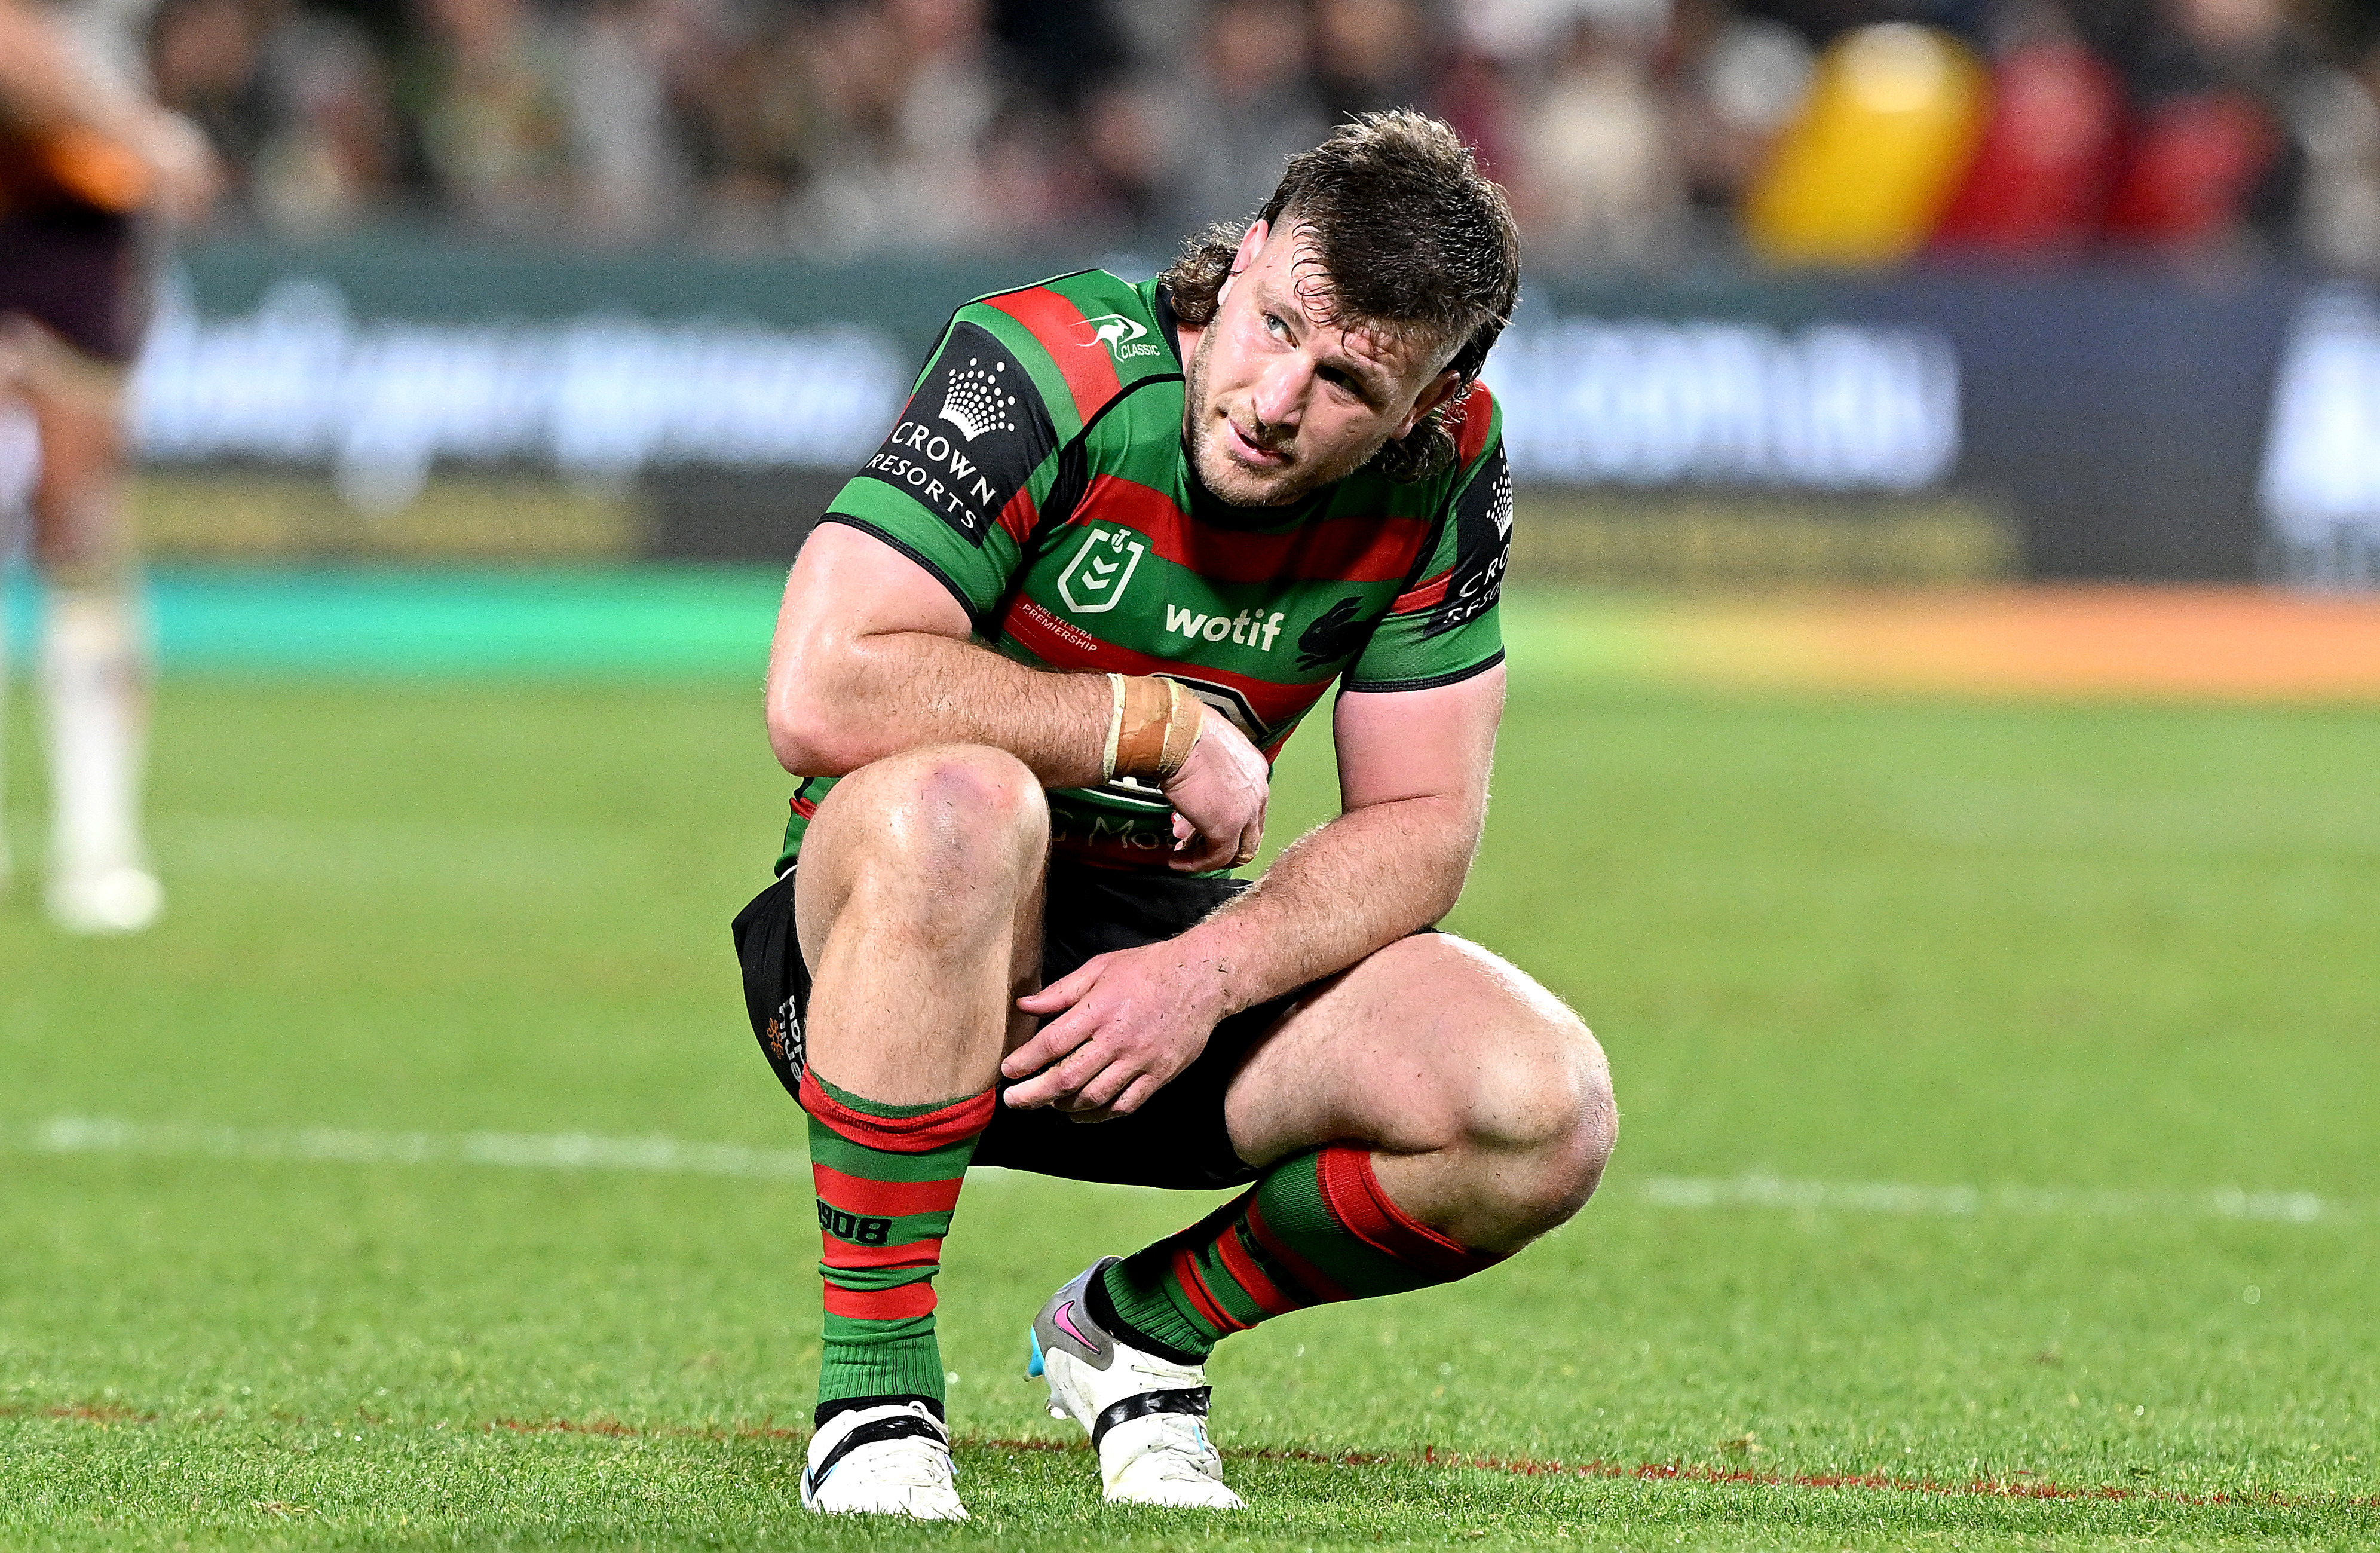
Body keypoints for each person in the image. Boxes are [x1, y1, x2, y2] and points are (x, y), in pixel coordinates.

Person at [734, 110, 1618, 1520]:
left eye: (1347, 381)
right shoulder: (1046, 362)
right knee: (965, 804)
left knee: (1541, 1110)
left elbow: (1428, 825)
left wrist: (1198, 977)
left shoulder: (1451, 468)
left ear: (1429, 404)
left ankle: (1134, 1332)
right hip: (894, 937)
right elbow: (820, 686)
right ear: (1249, 254)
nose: (1277, 399)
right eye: (1274, 326)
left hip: (1156, 975)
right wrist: (1148, 723)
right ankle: (875, 1397)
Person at [0, 0, 216, 932]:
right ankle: (98, 851)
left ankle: (98, 841)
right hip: (44, 179)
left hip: (79, 204)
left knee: (81, 522)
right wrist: (139, 130)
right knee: (78, 520)